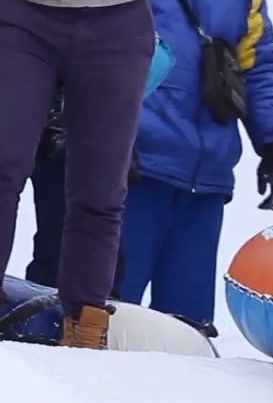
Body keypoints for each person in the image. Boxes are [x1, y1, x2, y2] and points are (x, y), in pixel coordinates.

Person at [0, 0, 196, 348]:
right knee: (4, 159)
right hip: (21, 10)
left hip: (116, 15)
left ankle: (84, 323)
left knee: (99, 182)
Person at [118, 0, 273, 326]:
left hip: (206, 182)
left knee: (187, 330)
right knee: (110, 312)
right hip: (136, 172)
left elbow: (257, 68)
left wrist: (271, 147)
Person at [26, 39, 177, 296]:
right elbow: (157, 54)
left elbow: (156, 55)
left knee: (78, 238)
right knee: (78, 237)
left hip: (72, 120)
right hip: (78, 120)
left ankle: (74, 313)